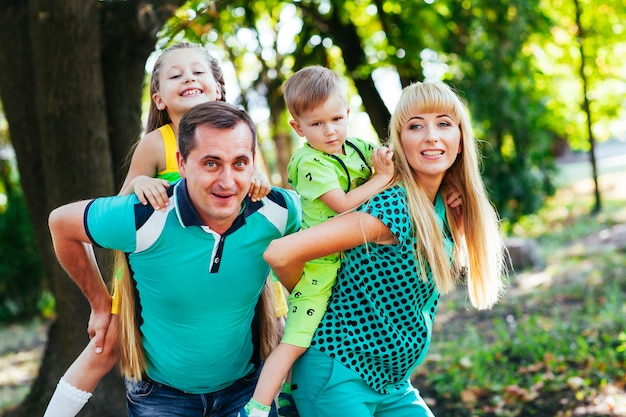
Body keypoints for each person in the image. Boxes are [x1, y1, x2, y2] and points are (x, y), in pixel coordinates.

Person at [42, 42, 276, 417]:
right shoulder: (155, 143)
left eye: (198, 72)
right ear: (159, 99)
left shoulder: (239, 135)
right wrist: (139, 186)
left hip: (224, 257)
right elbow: (123, 200)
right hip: (153, 259)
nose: (188, 78)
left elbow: (259, 184)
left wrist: (259, 181)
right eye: (176, 74)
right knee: (108, 344)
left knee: (276, 330)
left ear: (218, 89)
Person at [263, 81, 507, 417]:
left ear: (461, 139)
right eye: (416, 126)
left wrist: (460, 217)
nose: (431, 136)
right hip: (339, 375)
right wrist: (314, 297)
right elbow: (281, 253)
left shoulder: (444, 204)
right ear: (399, 141)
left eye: (444, 124)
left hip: (392, 384)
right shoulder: (393, 208)